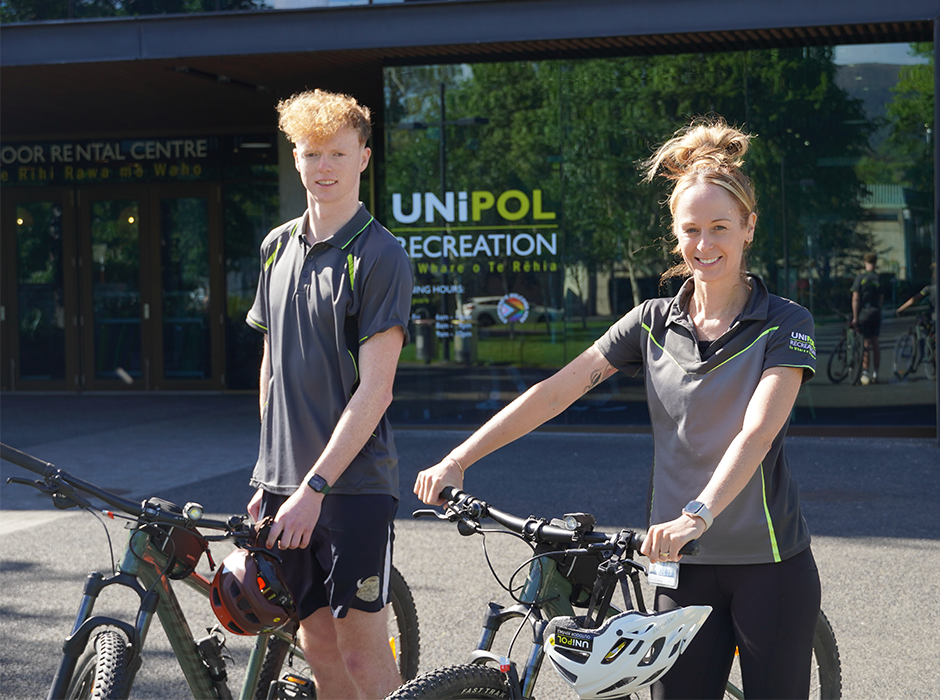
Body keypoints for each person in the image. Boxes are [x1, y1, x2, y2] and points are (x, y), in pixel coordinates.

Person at [415, 118, 821, 699]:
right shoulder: (652, 322)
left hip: (769, 563)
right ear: (675, 233)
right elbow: (557, 391)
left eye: (720, 228)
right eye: (691, 230)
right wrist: (459, 458)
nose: (704, 245)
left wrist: (696, 516)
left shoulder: (785, 322)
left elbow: (757, 432)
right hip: (678, 566)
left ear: (749, 227)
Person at [245, 88, 413, 700]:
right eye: (312, 153)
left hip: (353, 487)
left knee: (364, 655)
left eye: (338, 153)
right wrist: (269, 477)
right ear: (295, 158)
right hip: (283, 486)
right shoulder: (275, 247)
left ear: (364, 158)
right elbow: (271, 365)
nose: (325, 167)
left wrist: (314, 487)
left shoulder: (381, 255)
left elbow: (377, 390)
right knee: (315, 643)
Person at [851, 252, 883, 384]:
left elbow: (856, 298)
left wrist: (855, 316)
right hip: (875, 313)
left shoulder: (860, 278)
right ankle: (876, 373)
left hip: (863, 314)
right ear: (875, 263)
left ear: (865, 262)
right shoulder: (878, 278)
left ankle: (865, 373)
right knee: (875, 343)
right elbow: (881, 298)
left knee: (865, 344)